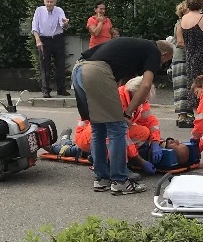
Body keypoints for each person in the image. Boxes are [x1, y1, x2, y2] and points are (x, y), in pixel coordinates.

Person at [71, 36, 173, 195]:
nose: (162, 64)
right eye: (165, 61)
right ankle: (120, 181)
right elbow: (146, 85)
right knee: (117, 128)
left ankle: (101, 179)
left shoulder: (132, 50)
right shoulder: (154, 51)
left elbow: (115, 79)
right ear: (164, 54)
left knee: (99, 127)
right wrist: (127, 113)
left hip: (78, 71)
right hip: (96, 72)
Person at [31, 0, 70, 98]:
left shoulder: (59, 10)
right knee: (45, 66)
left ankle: (61, 89)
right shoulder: (39, 10)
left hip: (57, 39)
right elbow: (34, 27)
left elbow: (63, 25)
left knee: (60, 65)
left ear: (55, 2)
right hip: (44, 40)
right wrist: (38, 40)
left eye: (51, 2)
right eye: (47, 2)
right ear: (44, 2)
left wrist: (65, 23)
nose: (49, 4)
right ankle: (45, 90)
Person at [172, 5, 192, 129]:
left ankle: (184, 114)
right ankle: (182, 115)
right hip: (181, 58)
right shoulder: (181, 24)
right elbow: (180, 42)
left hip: (185, 58)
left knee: (186, 87)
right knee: (181, 87)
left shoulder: (185, 23)